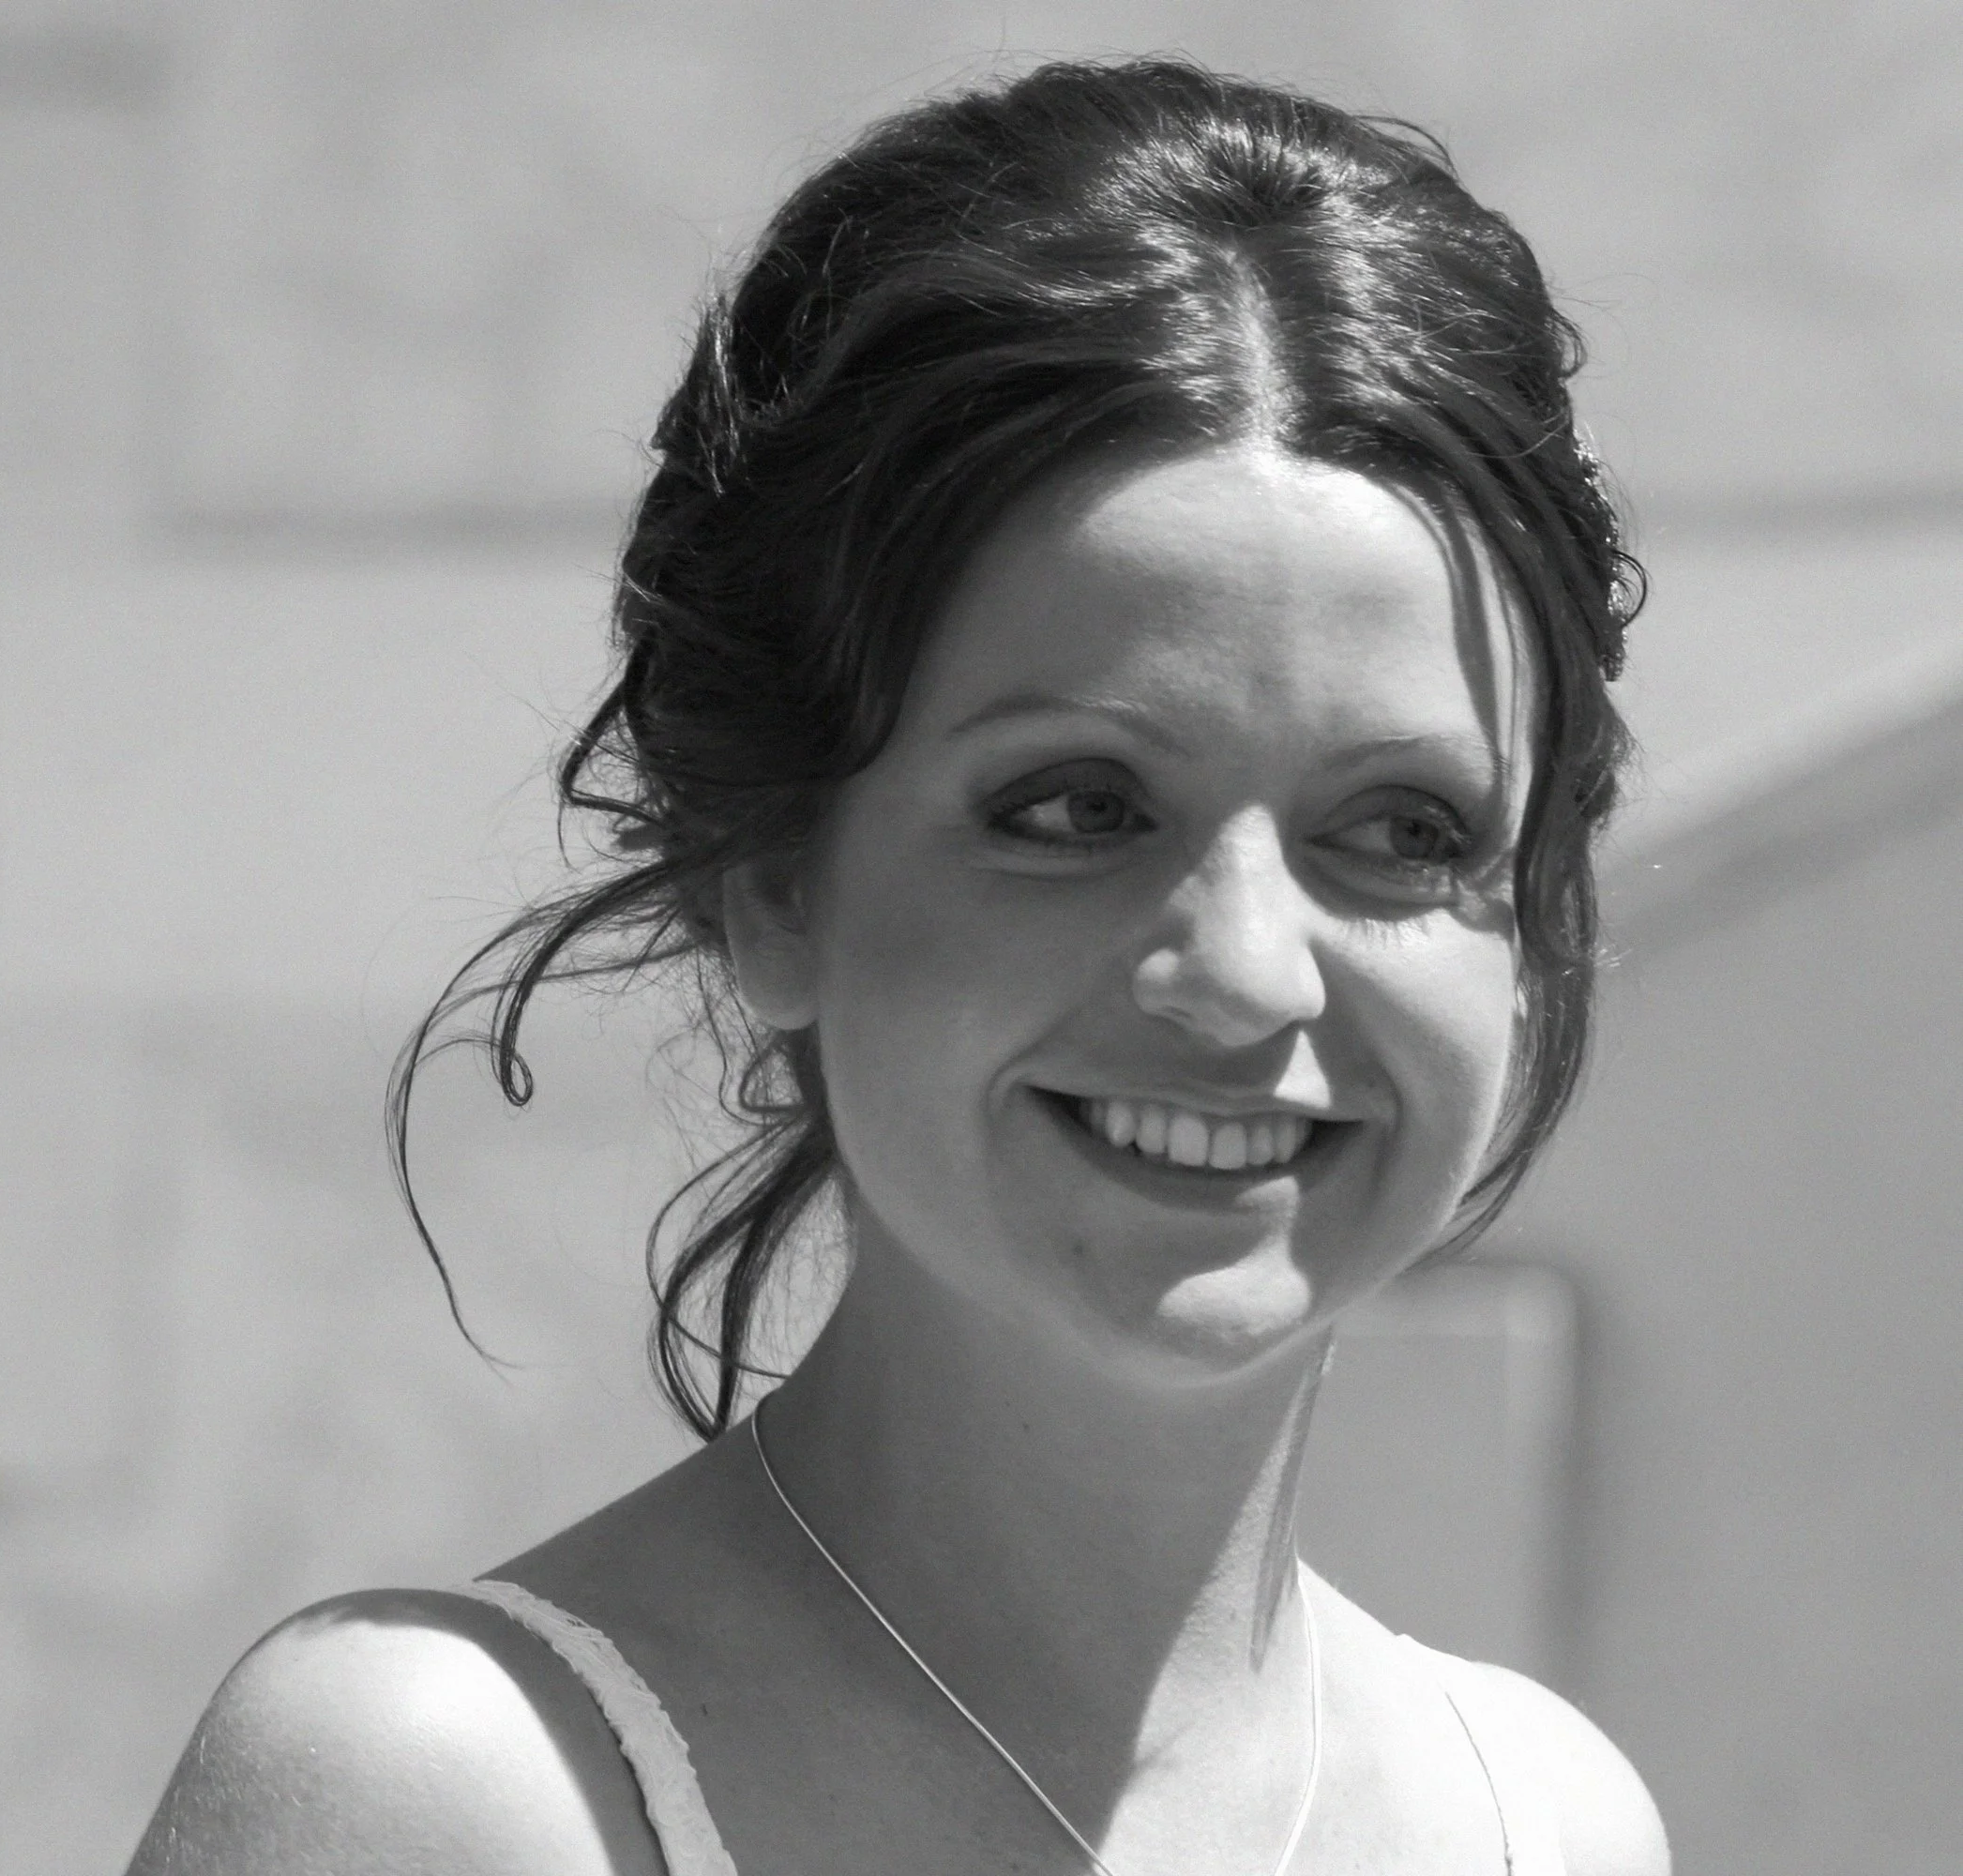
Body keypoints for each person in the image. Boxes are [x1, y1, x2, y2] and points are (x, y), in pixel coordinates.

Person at [128, 56, 1669, 1876]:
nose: (1249, 972)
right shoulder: (447, 1796)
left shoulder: (1542, 1819)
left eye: (1401, 829)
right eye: (1077, 804)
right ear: (769, 877)